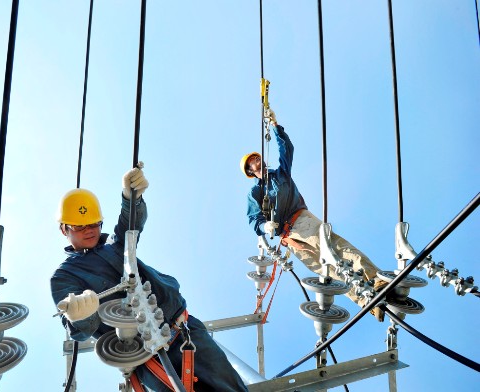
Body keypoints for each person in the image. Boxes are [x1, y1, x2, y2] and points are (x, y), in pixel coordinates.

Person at [50, 167, 248, 391]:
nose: (89, 230)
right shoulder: (64, 276)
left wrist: (131, 198)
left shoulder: (116, 247)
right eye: (79, 226)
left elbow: (130, 225)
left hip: (185, 331)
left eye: (95, 223)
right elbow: (80, 329)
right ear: (63, 229)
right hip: (144, 356)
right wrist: (79, 316)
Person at [240, 108, 387, 320]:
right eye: (251, 161)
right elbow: (253, 219)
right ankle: (365, 298)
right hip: (289, 239)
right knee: (326, 268)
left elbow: (287, 150)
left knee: (335, 248)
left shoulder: (280, 174)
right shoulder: (254, 192)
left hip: (300, 220)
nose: (256, 161)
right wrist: (265, 226)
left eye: (256, 157)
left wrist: (275, 125)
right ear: (249, 170)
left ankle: (375, 278)